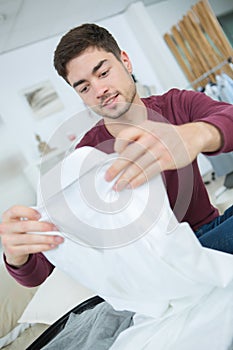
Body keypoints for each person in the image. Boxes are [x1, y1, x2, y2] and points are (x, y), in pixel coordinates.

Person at [1, 23, 233, 287]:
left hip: (208, 233)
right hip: (159, 266)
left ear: (125, 61)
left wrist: (198, 134)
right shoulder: (85, 156)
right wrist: (17, 254)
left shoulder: (175, 105)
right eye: (84, 87)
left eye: (103, 73)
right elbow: (42, 269)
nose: (99, 90)